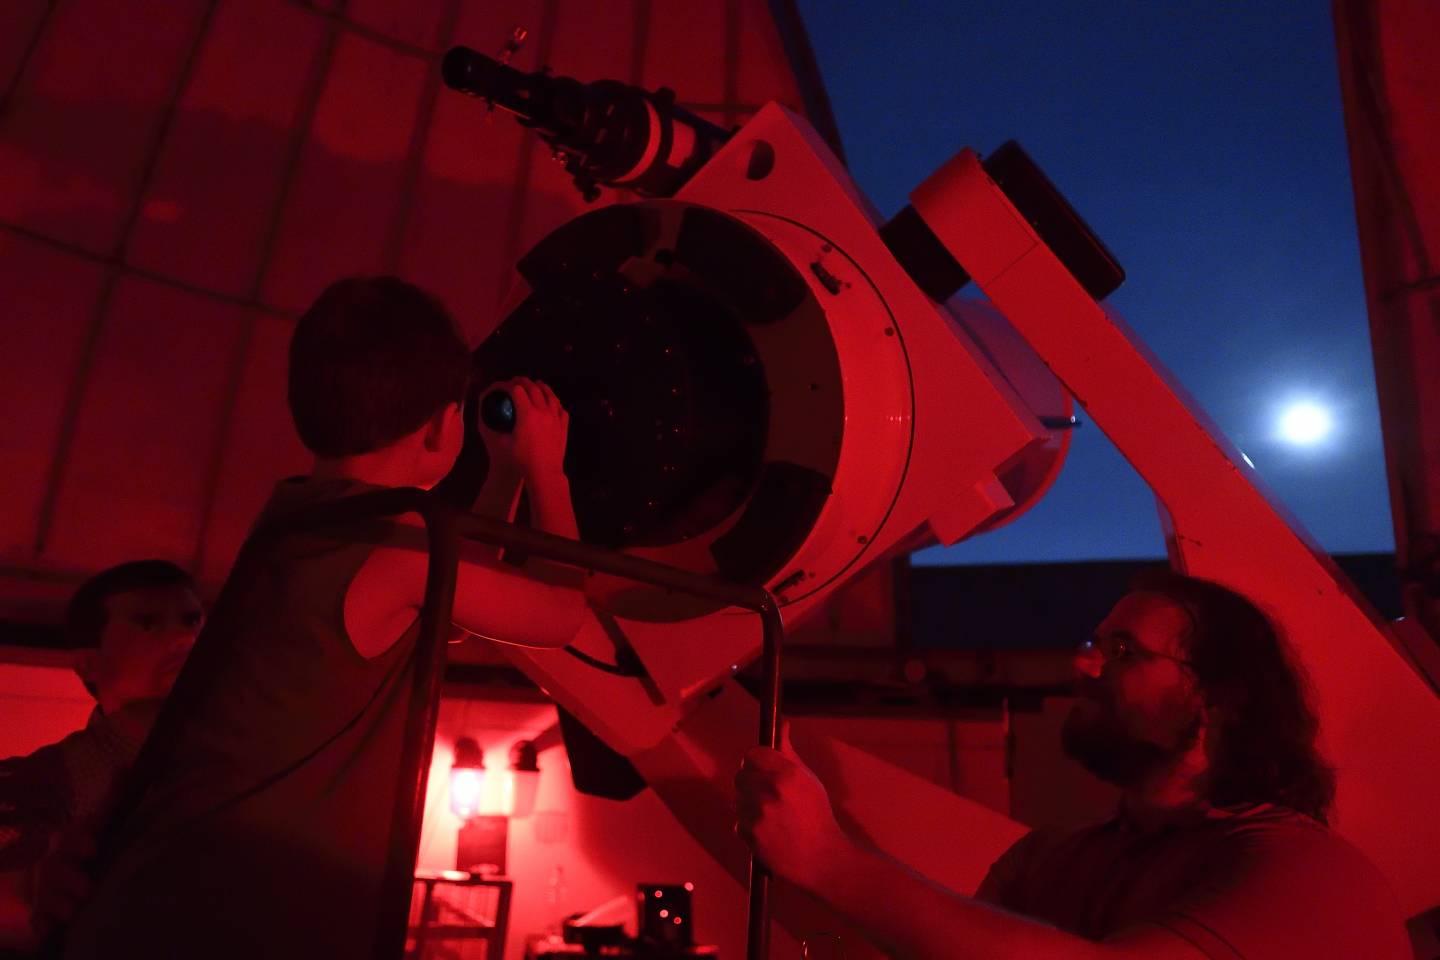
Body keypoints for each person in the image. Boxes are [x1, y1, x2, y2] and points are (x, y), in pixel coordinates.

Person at [60, 276, 589, 958]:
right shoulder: (399, 542)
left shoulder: (297, 516)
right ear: (438, 424)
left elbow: (455, 585)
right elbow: (562, 615)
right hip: (236, 923)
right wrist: (550, 473)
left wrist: (503, 475)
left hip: (158, 907)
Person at [735, 571, 1411, 959]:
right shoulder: (1048, 860)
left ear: (1215, 695)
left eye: (1122, 651)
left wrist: (828, 860)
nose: (1082, 664)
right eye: (1096, 643)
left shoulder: (1308, 873)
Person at [0, 560, 203, 951]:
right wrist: (27, 885)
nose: (185, 639)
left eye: (192, 621)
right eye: (149, 622)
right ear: (88, 662)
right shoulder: (38, 784)